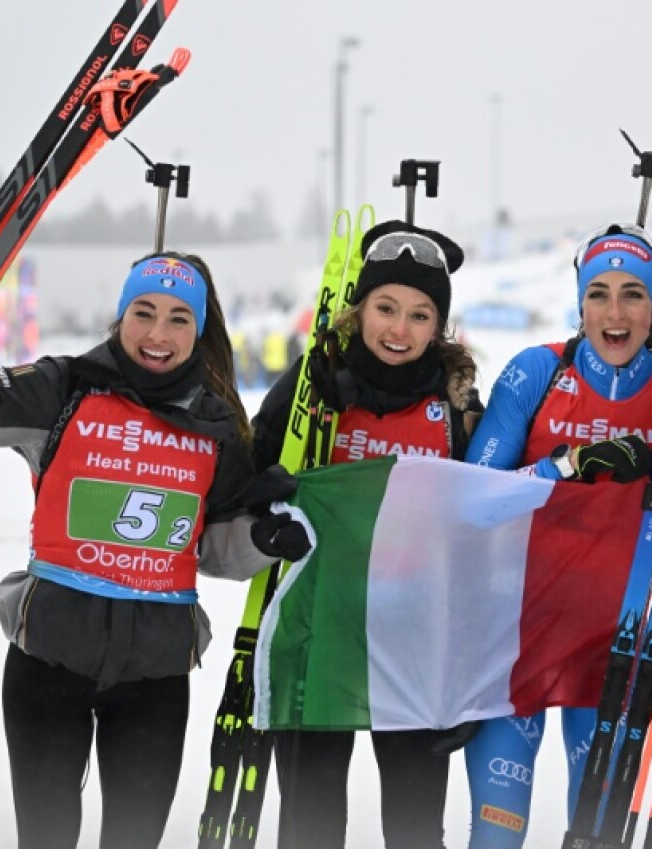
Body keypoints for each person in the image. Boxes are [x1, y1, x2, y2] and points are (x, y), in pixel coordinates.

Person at [0, 243, 312, 849]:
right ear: (120, 316)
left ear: (199, 331)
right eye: (143, 312)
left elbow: (215, 549)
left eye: (179, 318)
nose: (158, 333)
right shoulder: (63, 389)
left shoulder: (216, 425)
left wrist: (263, 538)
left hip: (153, 681)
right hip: (47, 664)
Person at [250, 219, 483, 849]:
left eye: (418, 314)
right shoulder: (313, 388)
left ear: (439, 327)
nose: (398, 330)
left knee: (413, 831)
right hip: (317, 632)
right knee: (310, 827)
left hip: (413, 643)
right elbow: (242, 475)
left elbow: (485, 537)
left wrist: (464, 676)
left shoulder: (459, 409)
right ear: (359, 310)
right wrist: (266, 513)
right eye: (385, 307)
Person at [463, 224, 652, 848]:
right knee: (497, 836)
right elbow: (471, 499)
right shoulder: (538, 372)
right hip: (515, 641)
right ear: (579, 303)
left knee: (598, 838)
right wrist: (563, 465)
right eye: (599, 293)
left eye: (633, 294)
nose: (615, 312)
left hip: (615, 648)